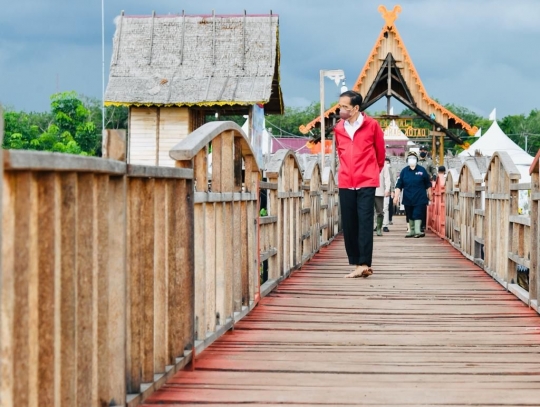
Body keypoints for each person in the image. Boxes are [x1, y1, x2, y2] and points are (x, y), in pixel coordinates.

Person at [335, 90, 385, 278]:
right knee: (349, 223)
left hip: (366, 181)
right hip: (346, 180)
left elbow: (380, 154)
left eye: (345, 107)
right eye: (340, 106)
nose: (342, 110)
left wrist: (371, 171)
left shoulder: (372, 125)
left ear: (356, 108)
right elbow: (340, 152)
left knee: (364, 222)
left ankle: (364, 263)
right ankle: (356, 262)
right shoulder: (339, 128)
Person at [393, 151, 432, 238]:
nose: (412, 160)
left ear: (417, 160)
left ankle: (418, 230)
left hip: (420, 197)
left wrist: (430, 194)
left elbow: (428, 184)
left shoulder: (422, 170)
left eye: (414, 158)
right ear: (407, 160)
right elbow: (399, 185)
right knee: (409, 214)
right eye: (410, 158)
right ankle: (412, 230)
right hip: (408, 197)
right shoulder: (404, 171)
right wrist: (396, 196)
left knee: (417, 213)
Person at [374, 159, 391, 236]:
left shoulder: (383, 163)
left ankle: (379, 229)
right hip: (367, 190)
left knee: (380, 211)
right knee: (367, 211)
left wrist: (387, 189)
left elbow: (387, 178)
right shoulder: (366, 160)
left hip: (379, 190)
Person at [383, 157, 395, 231]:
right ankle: (376, 225)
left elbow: (392, 181)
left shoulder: (390, 169)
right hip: (377, 189)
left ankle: (385, 224)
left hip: (387, 190)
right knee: (375, 209)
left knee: (386, 207)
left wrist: (392, 190)